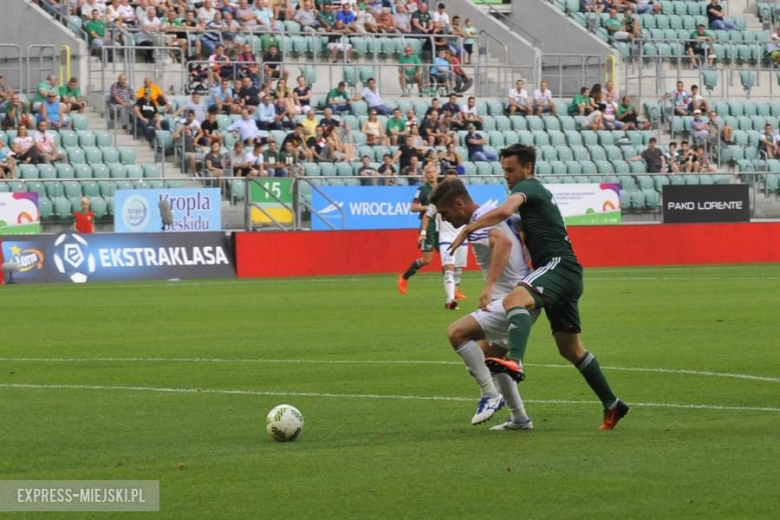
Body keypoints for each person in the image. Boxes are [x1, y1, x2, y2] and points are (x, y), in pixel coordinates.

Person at [448, 143, 629, 430]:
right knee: (571, 350)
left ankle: (516, 362)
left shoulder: (530, 187)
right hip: (566, 274)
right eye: (503, 170)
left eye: (510, 170)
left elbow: (505, 210)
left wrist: (469, 228)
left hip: (557, 265)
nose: (506, 176)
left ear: (527, 168)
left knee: (513, 300)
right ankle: (613, 404)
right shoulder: (532, 198)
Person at [428, 177, 535, 429]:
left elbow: (504, 243)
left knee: (457, 333)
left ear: (458, 203)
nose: (443, 219)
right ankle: (519, 418)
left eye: (444, 213)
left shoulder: (480, 222)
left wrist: (487, 288)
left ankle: (489, 395)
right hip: (524, 296)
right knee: (492, 360)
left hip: (512, 300)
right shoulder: (490, 214)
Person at [417, 169, 469, 309]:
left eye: (453, 180)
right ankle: (451, 299)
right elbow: (427, 216)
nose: (450, 183)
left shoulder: (464, 199)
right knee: (449, 269)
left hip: (461, 238)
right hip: (446, 237)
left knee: (458, 271)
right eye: (448, 180)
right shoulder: (438, 199)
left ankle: (452, 296)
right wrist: (423, 232)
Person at [397, 164, 439, 295]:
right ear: (425, 175)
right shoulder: (422, 189)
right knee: (427, 260)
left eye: (433, 172)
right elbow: (413, 207)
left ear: (437, 173)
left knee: (448, 258)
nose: (431, 174)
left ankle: (453, 291)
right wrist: (430, 208)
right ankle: (404, 277)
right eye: (429, 172)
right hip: (428, 225)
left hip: (442, 226)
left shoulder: (441, 188)